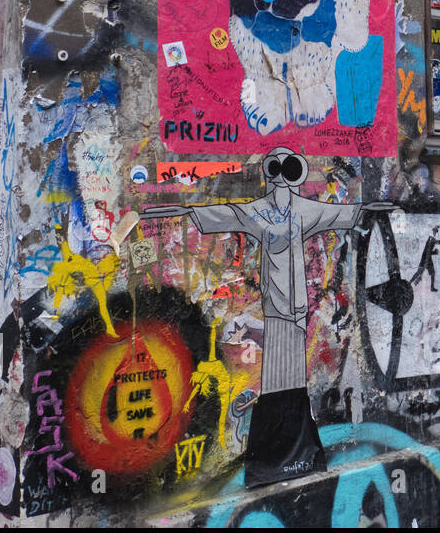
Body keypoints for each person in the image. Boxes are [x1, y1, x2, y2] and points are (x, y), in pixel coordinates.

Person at [139, 148, 385, 488]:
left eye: (288, 170)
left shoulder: (305, 210)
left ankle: (290, 454)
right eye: (277, 170)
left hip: (295, 308)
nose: (282, 180)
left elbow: (343, 214)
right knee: (276, 381)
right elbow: (226, 214)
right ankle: (281, 456)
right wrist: (182, 211)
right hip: (276, 306)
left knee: (290, 379)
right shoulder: (260, 210)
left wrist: (376, 207)